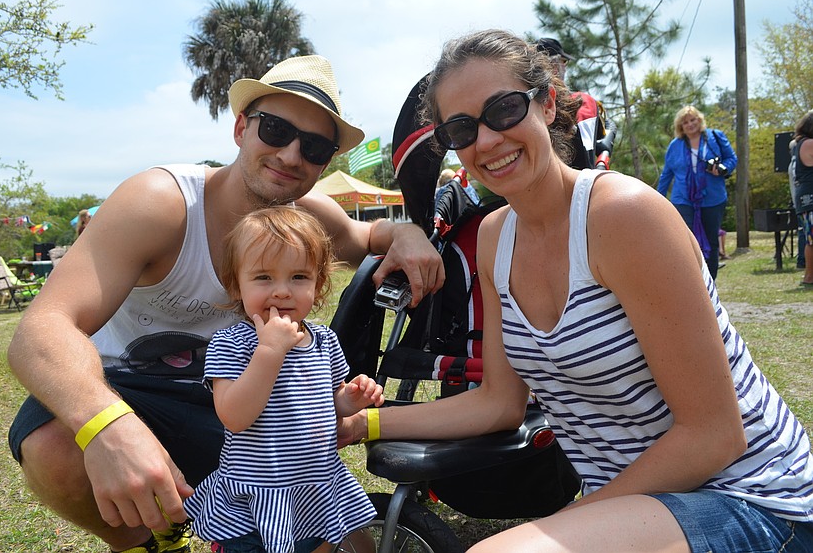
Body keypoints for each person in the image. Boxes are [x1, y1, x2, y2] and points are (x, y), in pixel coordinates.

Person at [339, 29, 813, 552]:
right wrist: (366, 422)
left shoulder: (623, 216)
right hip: (645, 506)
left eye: (503, 109)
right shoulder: (496, 240)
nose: (488, 140)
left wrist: (569, 518)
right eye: (462, 128)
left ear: (545, 103)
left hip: (756, 498)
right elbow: (498, 404)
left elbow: (714, 436)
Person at [6, 54, 443, 553]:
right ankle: (145, 542)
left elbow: (366, 234)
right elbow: (42, 327)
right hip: (129, 387)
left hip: (236, 398)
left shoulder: (303, 217)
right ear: (241, 127)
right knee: (53, 442)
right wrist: (109, 425)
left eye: (316, 146)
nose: (291, 155)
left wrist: (406, 233)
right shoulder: (161, 202)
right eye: (275, 129)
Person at [184, 207, 383, 553]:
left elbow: (328, 400)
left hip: (314, 490)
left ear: (318, 284)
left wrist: (351, 399)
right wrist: (270, 353)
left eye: (298, 277)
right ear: (236, 285)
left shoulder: (325, 341)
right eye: (263, 278)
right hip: (258, 500)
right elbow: (234, 415)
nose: (281, 291)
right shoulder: (232, 344)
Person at [657, 105, 737, 279]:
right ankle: (691, 280)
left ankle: (710, 282)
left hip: (712, 199)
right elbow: (667, 174)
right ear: (681, 126)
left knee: (711, 241)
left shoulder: (715, 137)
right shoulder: (675, 145)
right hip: (683, 200)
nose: (690, 124)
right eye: (685, 122)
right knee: (686, 241)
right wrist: (657, 199)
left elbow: (732, 159)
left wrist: (722, 168)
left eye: (693, 120)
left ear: (699, 120)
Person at [535, 37, 616, 170]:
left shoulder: (524, 111)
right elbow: (594, 141)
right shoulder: (583, 102)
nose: (565, 68)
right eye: (564, 62)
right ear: (554, 67)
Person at [791, 110, 813, 286]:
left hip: (806, 197)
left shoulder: (800, 143)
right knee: (812, 239)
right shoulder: (808, 144)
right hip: (810, 198)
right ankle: (809, 276)